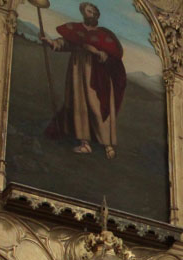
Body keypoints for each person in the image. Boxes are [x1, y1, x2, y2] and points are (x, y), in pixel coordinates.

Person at [43, 2, 126, 158]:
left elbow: (112, 54)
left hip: (97, 75)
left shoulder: (103, 34)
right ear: (83, 13)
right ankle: (85, 143)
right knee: (79, 105)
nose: (91, 14)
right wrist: (52, 43)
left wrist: (102, 54)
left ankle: (107, 145)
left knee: (98, 107)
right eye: (88, 11)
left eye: (94, 12)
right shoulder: (77, 30)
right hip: (77, 72)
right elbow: (66, 43)